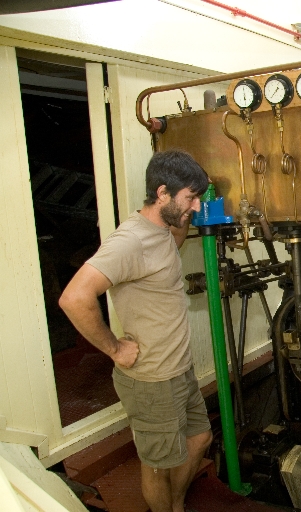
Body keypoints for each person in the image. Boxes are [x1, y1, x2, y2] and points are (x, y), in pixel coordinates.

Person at [59, 150, 213, 512]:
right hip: (151, 379)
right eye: (190, 198)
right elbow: (74, 297)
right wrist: (114, 349)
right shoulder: (129, 240)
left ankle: (175, 503)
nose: (194, 206)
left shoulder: (162, 230)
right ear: (162, 193)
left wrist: (187, 214)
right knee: (158, 465)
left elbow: (172, 244)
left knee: (201, 438)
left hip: (179, 369)